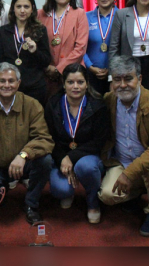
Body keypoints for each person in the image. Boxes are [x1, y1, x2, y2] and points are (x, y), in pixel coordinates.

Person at [98, 56, 149, 237]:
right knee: (107, 196)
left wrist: (129, 174)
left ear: (140, 79)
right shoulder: (108, 100)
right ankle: (138, 191)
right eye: (117, 79)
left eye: (128, 78)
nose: (123, 84)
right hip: (122, 161)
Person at [0, 62, 54, 224]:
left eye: (11, 81)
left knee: (45, 160)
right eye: (2, 81)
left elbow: (44, 139)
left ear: (18, 84)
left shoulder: (32, 105)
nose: (7, 85)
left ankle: (31, 204)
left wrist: (24, 155)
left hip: (22, 164)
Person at [44, 63, 110, 224]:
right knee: (61, 189)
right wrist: (61, 158)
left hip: (88, 156)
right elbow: (49, 137)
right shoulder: (53, 104)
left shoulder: (98, 106)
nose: (76, 86)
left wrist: (71, 158)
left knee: (85, 167)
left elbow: (99, 141)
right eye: (70, 82)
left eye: (80, 82)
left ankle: (92, 202)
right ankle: (69, 192)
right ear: (63, 84)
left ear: (87, 84)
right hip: (61, 155)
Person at [0, 0, 51, 105]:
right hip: (9, 87)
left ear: (32, 9)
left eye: (26, 7)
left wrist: (35, 52)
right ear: (13, 9)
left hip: (35, 86)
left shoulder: (40, 30)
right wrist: (4, 82)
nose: (22, 10)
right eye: (19, 6)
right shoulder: (4, 31)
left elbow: (46, 61)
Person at [37, 0, 89, 102]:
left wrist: (59, 69)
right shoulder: (40, 14)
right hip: (45, 75)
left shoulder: (79, 14)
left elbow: (80, 48)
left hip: (72, 75)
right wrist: (47, 67)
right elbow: (36, 45)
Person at [84, 0, 118, 95]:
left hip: (116, 74)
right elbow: (80, 47)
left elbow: (124, 47)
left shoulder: (123, 16)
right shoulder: (85, 17)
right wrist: (91, 67)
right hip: (91, 74)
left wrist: (111, 69)